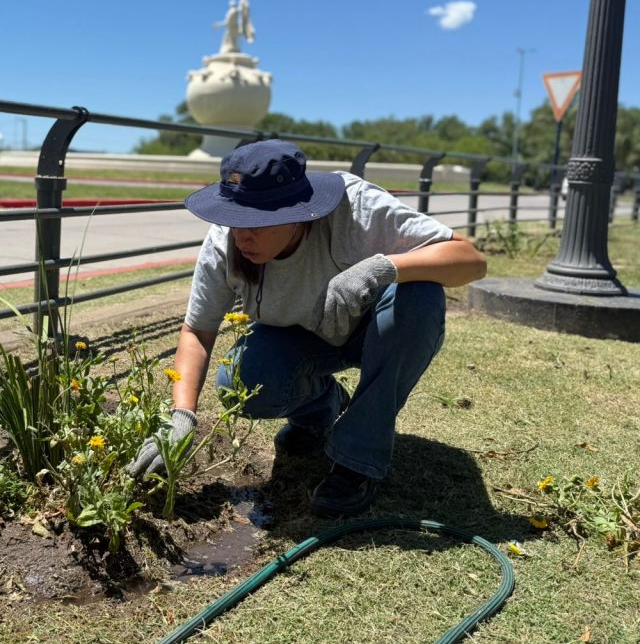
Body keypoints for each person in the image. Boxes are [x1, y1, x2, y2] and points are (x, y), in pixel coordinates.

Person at [127, 139, 487, 517]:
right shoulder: (226, 241)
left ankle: (357, 459)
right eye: (235, 218)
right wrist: (181, 416)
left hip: (378, 333)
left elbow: (470, 260)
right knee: (240, 384)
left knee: (420, 295)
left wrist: (380, 268)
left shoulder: (356, 207)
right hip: (303, 339)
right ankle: (321, 409)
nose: (242, 235)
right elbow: (198, 332)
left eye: (257, 222)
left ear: (298, 214)